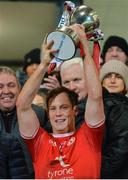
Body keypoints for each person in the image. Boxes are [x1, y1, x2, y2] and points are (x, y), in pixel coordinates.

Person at [16, 24, 105, 179]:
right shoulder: (38, 143)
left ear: (75, 110)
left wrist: (84, 47)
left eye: (64, 107)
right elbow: (22, 106)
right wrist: (44, 65)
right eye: (53, 109)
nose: (58, 113)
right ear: (48, 114)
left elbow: (95, 96)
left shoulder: (89, 137)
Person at [0, 66, 47, 178]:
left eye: (11, 85)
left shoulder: (38, 114)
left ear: (20, 89)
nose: (6, 91)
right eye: (0, 86)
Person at [99, 59, 128, 178]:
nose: (112, 80)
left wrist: (98, 172)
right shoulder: (94, 105)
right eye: (107, 76)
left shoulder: (122, 108)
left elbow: (120, 147)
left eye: (118, 77)